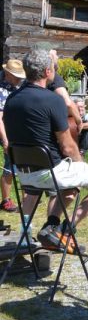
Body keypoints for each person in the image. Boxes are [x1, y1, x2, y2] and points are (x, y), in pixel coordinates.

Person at [4, 49, 88, 253]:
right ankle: (66, 228)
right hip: (51, 172)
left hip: (24, 175)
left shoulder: (12, 100)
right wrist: (80, 163)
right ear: (48, 71)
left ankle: (52, 226)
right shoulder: (52, 100)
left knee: (70, 185)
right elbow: (67, 146)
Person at [0, 59, 26, 213]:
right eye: (16, 76)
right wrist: (5, 140)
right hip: (8, 133)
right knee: (10, 166)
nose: (19, 79)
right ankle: (6, 201)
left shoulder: (19, 86)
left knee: (24, 165)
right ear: (8, 74)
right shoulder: (1, 90)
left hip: (19, 131)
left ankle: (26, 198)